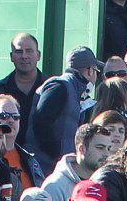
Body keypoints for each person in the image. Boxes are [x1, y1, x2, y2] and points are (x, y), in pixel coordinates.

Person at [25, 46, 100, 180]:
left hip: (52, 166)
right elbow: (41, 121)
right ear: (90, 70)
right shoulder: (61, 86)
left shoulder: (74, 91)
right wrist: (55, 152)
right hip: (44, 166)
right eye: (96, 71)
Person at [40, 117, 122, 201]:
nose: (106, 154)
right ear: (82, 149)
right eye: (100, 148)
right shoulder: (56, 186)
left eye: (108, 149)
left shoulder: (107, 183)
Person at [0, 31, 44, 143]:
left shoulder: (51, 89)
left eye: (29, 51)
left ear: (38, 55)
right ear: (11, 56)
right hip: (4, 152)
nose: (24, 56)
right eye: (19, 51)